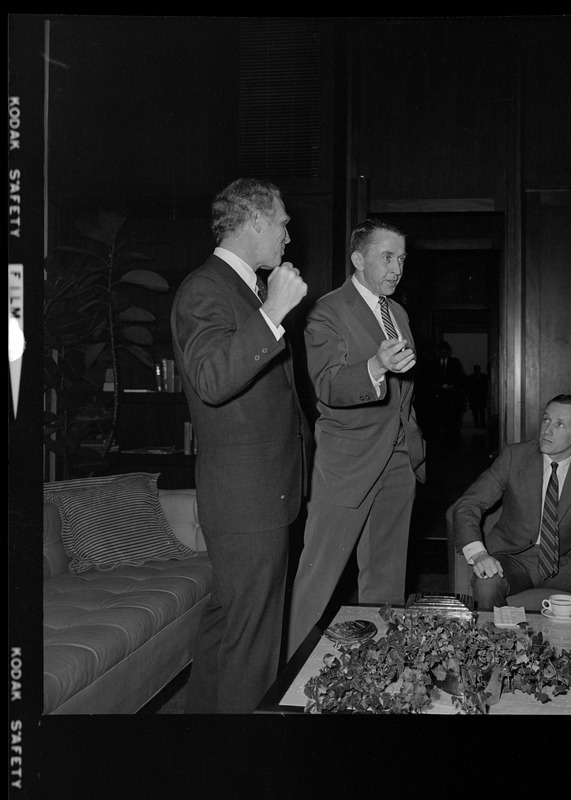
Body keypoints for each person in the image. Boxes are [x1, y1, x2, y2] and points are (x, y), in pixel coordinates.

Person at [171, 177, 309, 713]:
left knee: (228, 624)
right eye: (281, 223)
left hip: (262, 492)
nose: (287, 236)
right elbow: (210, 378)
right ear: (253, 221)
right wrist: (272, 313)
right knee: (253, 644)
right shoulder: (204, 289)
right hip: (246, 499)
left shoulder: (246, 288)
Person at [286, 218, 426, 657]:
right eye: (388, 256)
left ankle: (379, 671)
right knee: (319, 578)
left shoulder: (397, 312)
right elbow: (328, 384)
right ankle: (291, 679)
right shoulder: (327, 310)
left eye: (402, 258)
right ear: (358, 258)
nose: (397, 267)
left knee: (386, 580)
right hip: (347, 463)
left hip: (398, 459)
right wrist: (376, 367)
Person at [452, 394, 571, 627]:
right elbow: (468, 505)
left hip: (566, 561)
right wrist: (479, 554)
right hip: (514, 559)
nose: (547, 429)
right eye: (546, 419)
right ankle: (498, 653)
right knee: (488, 582)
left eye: (560, 424)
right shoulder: (515, 457)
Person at [430, 340, 466, 447]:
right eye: (441, 353)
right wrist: (439, 386)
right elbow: (428, 381)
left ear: (448, 352)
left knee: (452, 426)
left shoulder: (455, 363)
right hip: (438, 402)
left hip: (452, 401)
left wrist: (452, 387)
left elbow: (460, 380)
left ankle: (452, 446)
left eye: (445, 352)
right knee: (438, 426)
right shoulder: (433, 364)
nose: (443, 355)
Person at [465, 364, 489, 428]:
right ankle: (477, 425)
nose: (477, 370)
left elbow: (486, 387)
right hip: (474, 397)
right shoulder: (471, 377)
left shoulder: (483, 377)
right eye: (476, 369)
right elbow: (468, 387)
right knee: (475, 412)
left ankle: (482, 424)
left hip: (481, 397)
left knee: (481, 412)